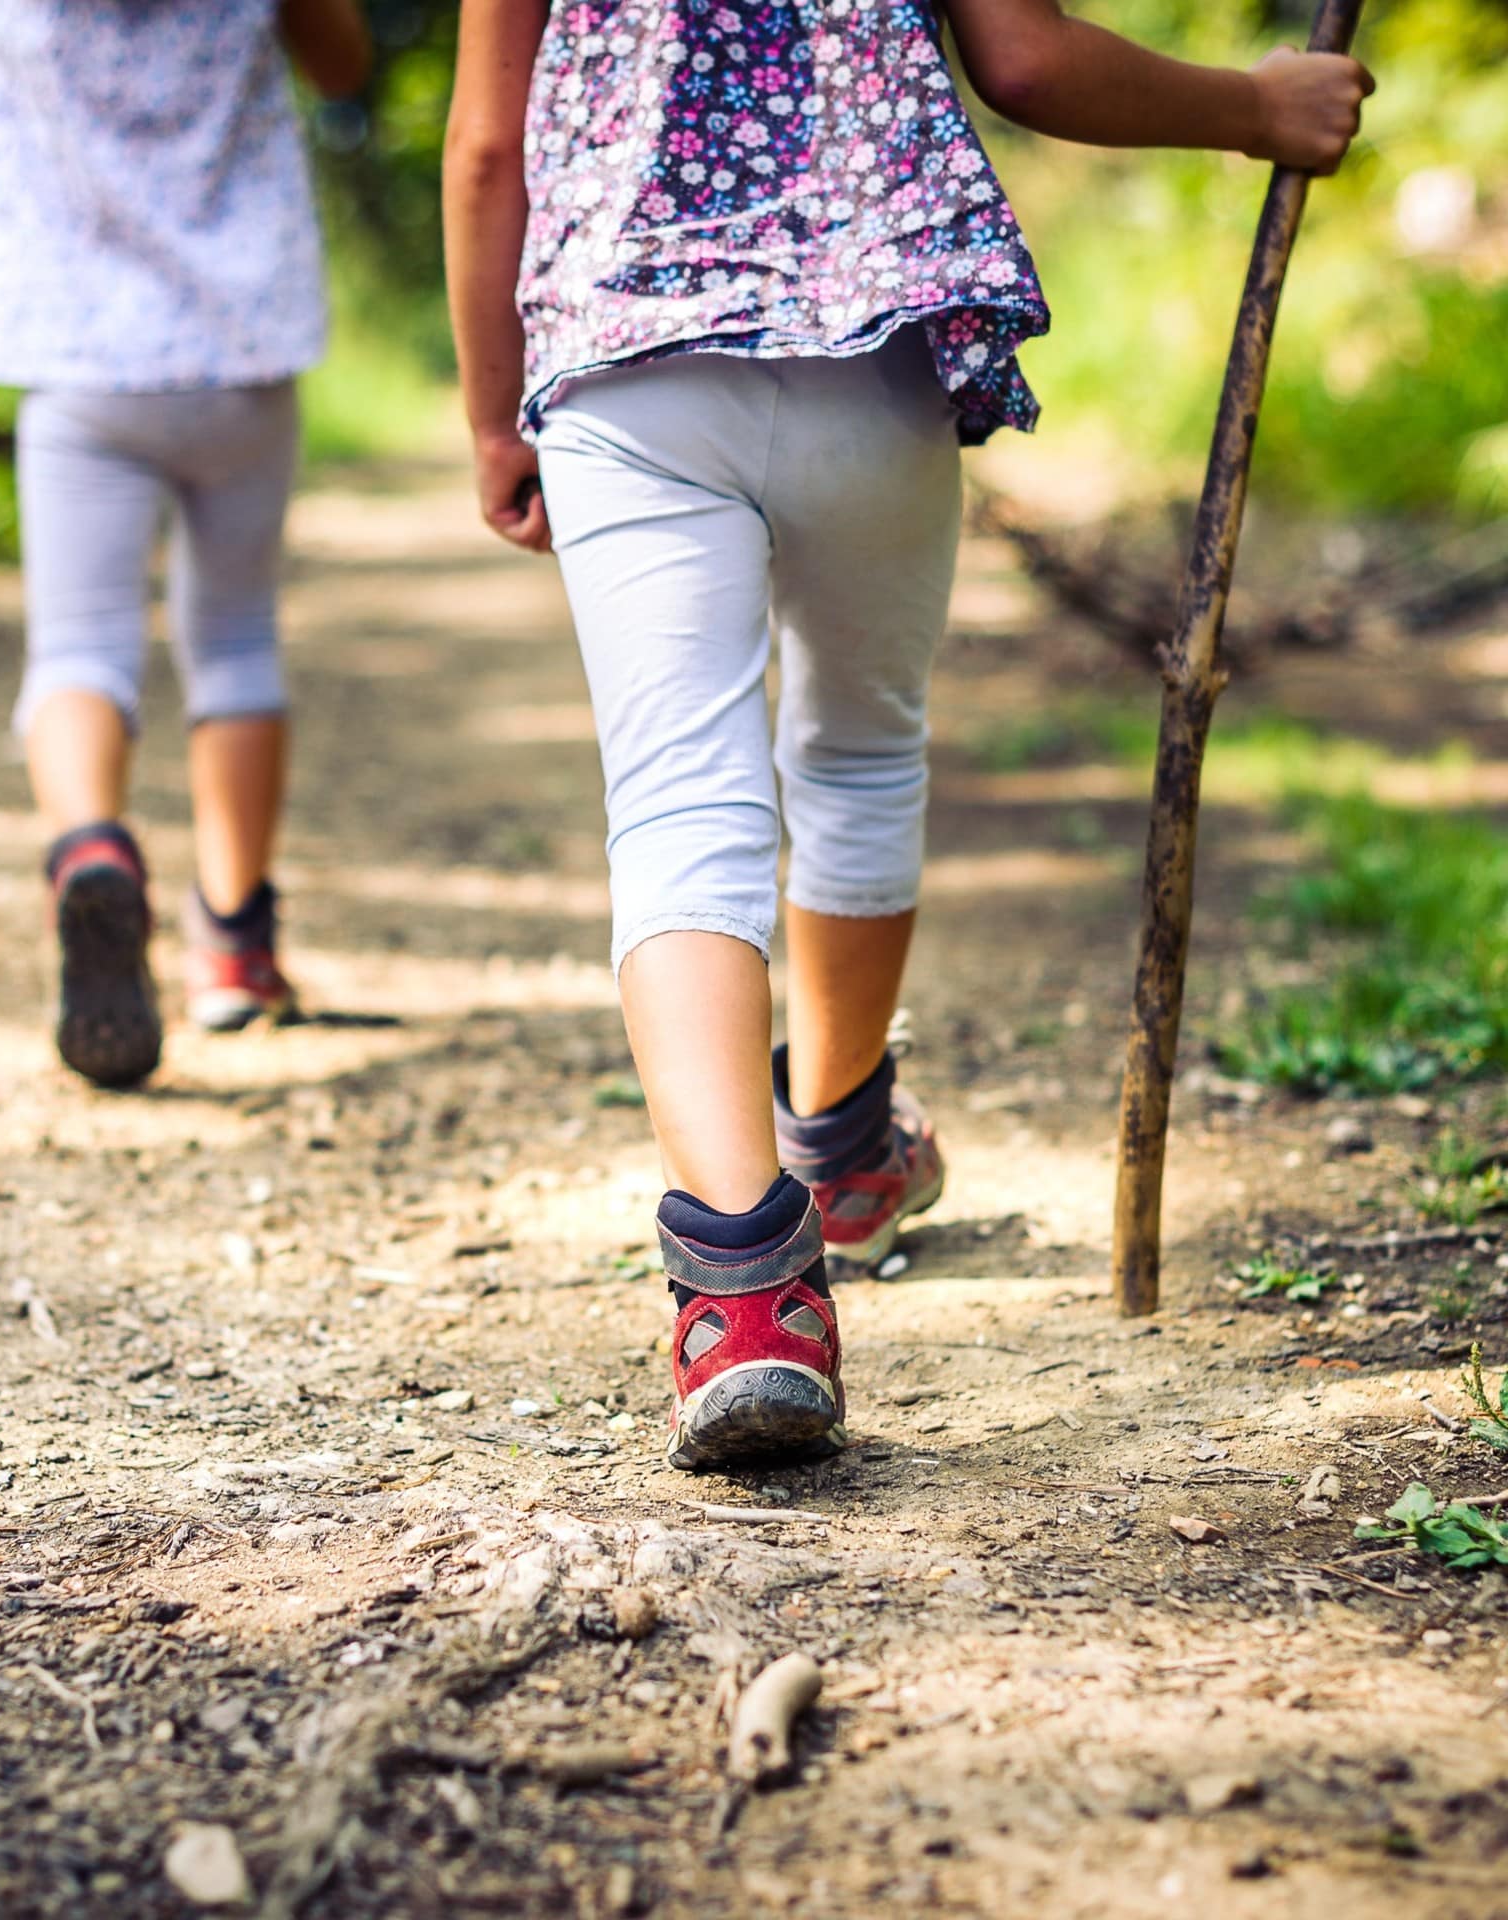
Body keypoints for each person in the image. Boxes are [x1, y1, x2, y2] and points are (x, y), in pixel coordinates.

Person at [443, 0, 1371, 1469]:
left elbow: (493, 145)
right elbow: (1025, 58)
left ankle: (745, 1293)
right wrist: (1254, 108)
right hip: (865, 348)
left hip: (626, 360)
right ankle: (845, 1145)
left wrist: (496, 413)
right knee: (861, 749)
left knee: (682, 796)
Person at [0, 0, 371, 1087]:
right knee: (234, 640)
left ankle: (91, 846)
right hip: (241, 352)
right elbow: (344, 67)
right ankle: (235, 949)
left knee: (79, 646)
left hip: (80, 363)